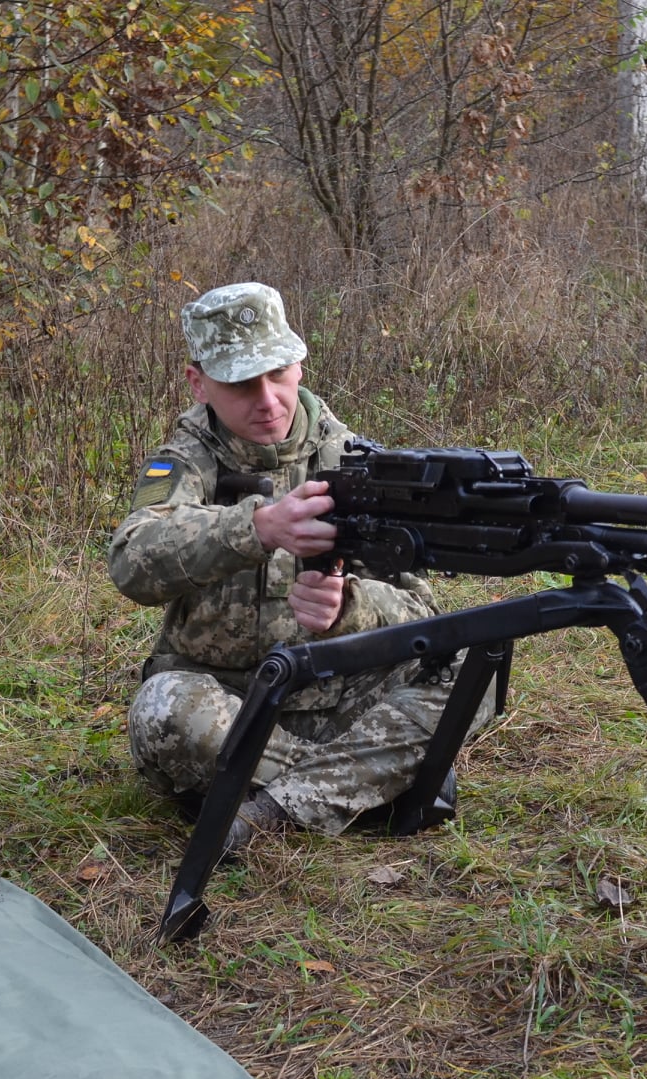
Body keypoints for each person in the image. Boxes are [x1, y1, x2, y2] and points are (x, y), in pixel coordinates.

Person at [109, 282, 471, 852]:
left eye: (277, 373)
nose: (268, 399)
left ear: (299, 363)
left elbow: (424, 613)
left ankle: (272, 809)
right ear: (198, 382)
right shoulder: (182, 463)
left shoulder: (356, 461)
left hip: (340, 700)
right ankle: (374, 781)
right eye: (241, 383)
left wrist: (353, 607)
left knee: (472, 664)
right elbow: (132, 561)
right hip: (234, 712)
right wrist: (254, 529)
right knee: (162, 710)